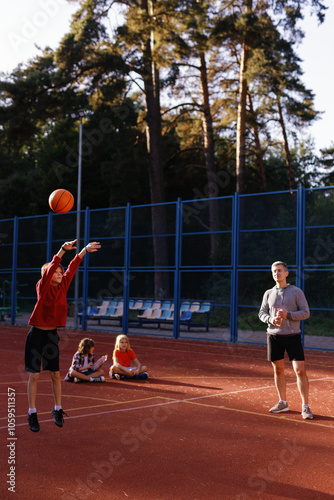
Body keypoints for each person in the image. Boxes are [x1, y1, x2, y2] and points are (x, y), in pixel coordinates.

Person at [25, 239, 101, 432]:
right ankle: (32, 412)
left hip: (51, 335)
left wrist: (83, 251)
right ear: (47, 275)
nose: (60, 273)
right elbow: (51, 268)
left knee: (55, 374)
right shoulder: (43, 287)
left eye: (61, 272)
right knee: (34, 376)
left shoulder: (63, 286)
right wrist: (61, 250)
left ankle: (57, 409)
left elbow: (73, 267)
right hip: (36, 336)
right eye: (57, 272)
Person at [259, 261, 313, 420]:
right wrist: (270, 320)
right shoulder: (268, 293)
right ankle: (283, 402)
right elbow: (261, 313)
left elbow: (306, 313)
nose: (277, 273)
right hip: (274, 336)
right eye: (274, 271)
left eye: (280, 271)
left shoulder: (296, 292)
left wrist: (288, 315)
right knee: (278, 370)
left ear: (287, 273)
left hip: (292, 337)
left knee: (300, 370)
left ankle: (305, 406)